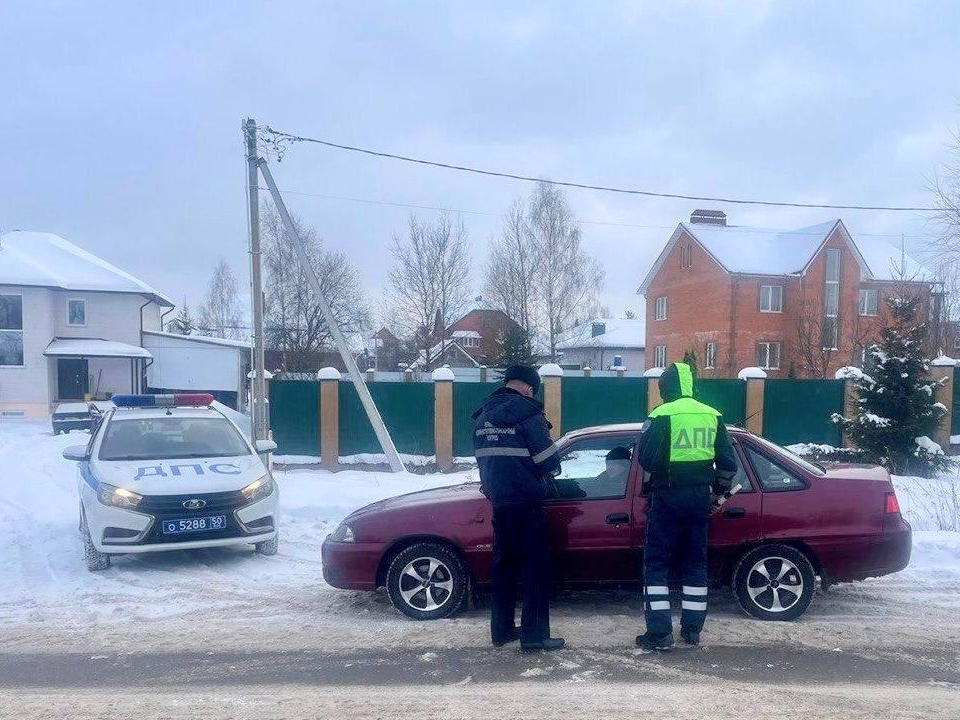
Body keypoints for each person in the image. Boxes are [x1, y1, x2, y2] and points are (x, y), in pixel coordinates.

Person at [635, 362, 737, 650]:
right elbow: (728, 463)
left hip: (667, 496)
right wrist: (717, 493)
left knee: (656, 565)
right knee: (695, 565)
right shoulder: (712, 415)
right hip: (699, 499)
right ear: (690, 385)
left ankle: (659, 633)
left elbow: (647, 459)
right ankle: (692, 631)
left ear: (665, 387)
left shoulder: (661, 414)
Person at [472, 364, 565, 652]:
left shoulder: (482, 416)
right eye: (532, 389)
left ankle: (501, 631)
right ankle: (535, 636)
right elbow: (548, 461)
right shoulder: (528, 414)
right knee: (534, 568)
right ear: (526, 386)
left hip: (499, 502)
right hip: (527, 502)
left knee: (504, 567)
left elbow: (481, 459)